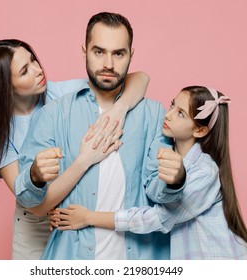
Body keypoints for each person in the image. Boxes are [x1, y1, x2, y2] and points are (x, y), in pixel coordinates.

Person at [15, 12, 185, 260]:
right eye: (99, 52)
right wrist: (35, 176)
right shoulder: (54, 113)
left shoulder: (153, 114)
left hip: (141, 258)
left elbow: (158, 193)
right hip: (71, 256)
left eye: (118, 53)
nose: (108, 63)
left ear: (131, 55)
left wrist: (175, 180)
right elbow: (29, 201)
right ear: (84, 51)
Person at [0, 39, 149, 259]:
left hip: (73, 214)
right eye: (25, 70)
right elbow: (36, 206)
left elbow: (140, 78)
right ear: (3, 85)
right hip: (34, 227)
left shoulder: (63, 92)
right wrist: (85, 160)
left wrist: (119, 109)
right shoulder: (2, 135)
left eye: (33, 59)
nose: (38, 70)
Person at [54, 86, 247, 260]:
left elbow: (159, 218)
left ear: (200, 131)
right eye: (172, 105)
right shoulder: (164, 152)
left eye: (181, 113)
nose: (168, 114)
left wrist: (89, 217)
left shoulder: (204, 172)